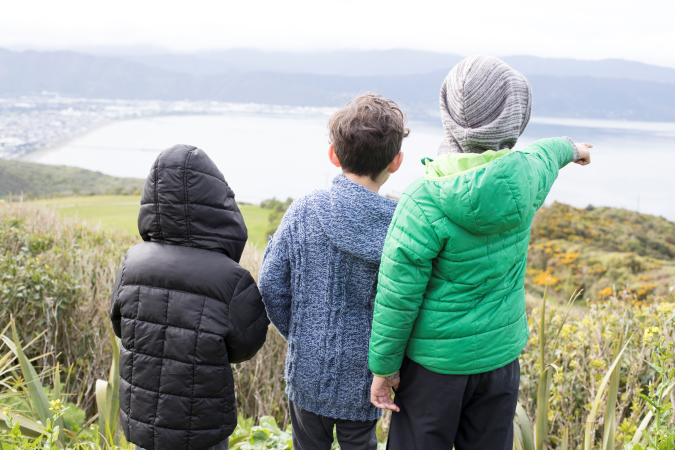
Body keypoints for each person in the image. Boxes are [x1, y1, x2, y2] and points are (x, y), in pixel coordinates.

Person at [367, 56, 593, 450]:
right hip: (499, 361)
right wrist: (574, 149)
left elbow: (397, 296)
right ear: (515, 116)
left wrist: (383, 369)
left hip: (434, 368)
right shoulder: (527, 174)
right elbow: (547, 151)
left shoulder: (423, 199)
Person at [258, 94, 409, 450]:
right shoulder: (402, 225)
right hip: (371, 374)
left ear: (334, 155)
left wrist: (300, 333)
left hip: (308, 368)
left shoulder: (305, 209)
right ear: (396, 161)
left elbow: (269, 284)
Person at [110, 144, 270, 450]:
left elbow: (120, 324)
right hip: (203, 425)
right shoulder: (230, 278)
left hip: (143, 420)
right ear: (216, 201)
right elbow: (245, 347)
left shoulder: (132, 262)